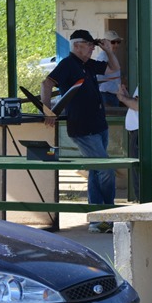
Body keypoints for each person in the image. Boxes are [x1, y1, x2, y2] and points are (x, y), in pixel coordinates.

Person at [41, 29, 120, 232]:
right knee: (106, 170)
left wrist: (108, 50)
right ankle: (107, 214)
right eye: (89, 44)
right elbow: (47, 83)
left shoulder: (88, 64)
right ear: (77, 45)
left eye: (93, 44)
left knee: (96, 171)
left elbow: (114, 70)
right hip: (84, 128)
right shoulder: (68, 64)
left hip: (99, 125)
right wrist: (47, 110)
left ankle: (98, 219)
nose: (93, 48)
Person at [117, 45, 152, 201]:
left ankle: (147, 213)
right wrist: (128, 97)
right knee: (151, 179)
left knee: (143, 181)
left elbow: (139, 106)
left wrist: (122, 98)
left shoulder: (150, 78)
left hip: (144, 134)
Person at [94, 29, 123, 108]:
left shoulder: (111, 55)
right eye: (113, 42)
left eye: (118, 42)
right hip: (106, 95)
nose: (116, 45)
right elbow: (98, 77)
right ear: (106, 43)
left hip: (113, 94)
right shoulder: (103, 57)